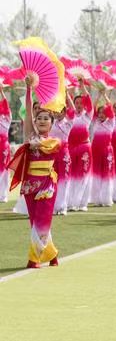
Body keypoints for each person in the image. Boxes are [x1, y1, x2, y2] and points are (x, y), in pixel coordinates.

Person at [7, 75, 62, 268]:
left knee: (42, 220)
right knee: (35, 222)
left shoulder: (55, 141)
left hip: (47, 185)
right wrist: (29, 88)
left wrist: (37, 144)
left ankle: (34, 258)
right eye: (39, 118)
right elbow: (29, 111)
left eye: (46, 118)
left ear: (52, 123)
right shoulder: (30, 135)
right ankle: (52, 254)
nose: (42, 120)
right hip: (30, 184)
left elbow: (53, 149)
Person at [67, 80, 93, 211]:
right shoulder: (70, 116)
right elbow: (67, 103)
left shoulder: (88, 115)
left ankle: (82, 203)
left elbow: (88, 98)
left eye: (81, 103)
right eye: (76, 103)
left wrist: (82, 85)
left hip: (84, 148)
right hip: (71, 148)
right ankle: (71, 202)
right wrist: (67, 91)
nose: (78, 105)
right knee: (71, 175)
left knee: (83, 175)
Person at [89, 88, 115, 207]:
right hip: (95, 151)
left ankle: (106, 199)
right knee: (96, 174)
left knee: (107, 174)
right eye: (99, 113)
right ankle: (97, 199)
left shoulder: (111, 122)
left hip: (107, 151)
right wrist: (98, 96)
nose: (101, 114)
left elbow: (110, 106)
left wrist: (104, 95)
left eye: (103, 112)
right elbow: (92, 107)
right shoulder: (95, 122)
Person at [51, 94, 75, 215]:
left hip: (64, 154)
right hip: (52, 154)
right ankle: (53, 206)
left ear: (65, 112)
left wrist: (66, 95)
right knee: (53, 180)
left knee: (64, 180)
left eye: (60, 111)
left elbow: (73, 110)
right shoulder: (51, 123)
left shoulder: (68, 123)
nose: (57, 113)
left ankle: (62, 206)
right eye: (56, 111)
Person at [0, 85, 12, 203]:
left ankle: (3, 195)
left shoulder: (7, 118)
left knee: (4, 170)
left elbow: (6, 104)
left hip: (3, 147)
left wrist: (1, 91)